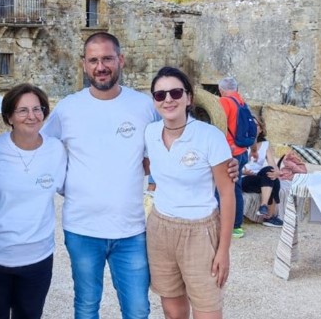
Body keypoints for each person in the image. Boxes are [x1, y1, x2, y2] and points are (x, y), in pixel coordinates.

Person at [42, 32, 239, 319]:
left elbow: (180, 129)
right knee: (86, 306)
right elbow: (43, 148)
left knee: (137, 310)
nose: (101, 66)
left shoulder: (144, 106)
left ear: (120, 60)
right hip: (82, 228)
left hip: (131, 230)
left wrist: (224, 163)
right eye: (94, 60)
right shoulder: (67, 109)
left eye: (107, 58)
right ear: (84, 64)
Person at [144, 66, 235, 319]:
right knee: (173, 312)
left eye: (175, 92)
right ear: (154, 101)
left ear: (189, 97)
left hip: (200, 231)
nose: (168, 99)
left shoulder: (209, 137)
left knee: (207, 312)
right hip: (160, 228)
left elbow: (227, 195)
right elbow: (145, 167)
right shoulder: (150, 133)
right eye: (160, 95)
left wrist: (223, 250)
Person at [0, 83, 67, 319]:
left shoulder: (56, 150)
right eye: (23, 110)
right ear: (9, 117)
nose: (32, 116)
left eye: (38, 109)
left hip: (37, 259)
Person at [218, 77, 250, 239]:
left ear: (221, 89)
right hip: (243, 150)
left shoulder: (224, 102)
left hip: (230, 150)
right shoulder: (241, 101)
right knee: (236, 185)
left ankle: (233, 225)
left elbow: (219, 126)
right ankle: (235, 223)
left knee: (225, 188)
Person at [241, 116, 283, 228]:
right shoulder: (240, 141)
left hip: (257, 178)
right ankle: (270, 217)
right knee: (273, 181)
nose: (253, 128)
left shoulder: (265, 145)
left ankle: (263, 206)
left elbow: (272, 164)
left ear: (261, 129)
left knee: (270, 172)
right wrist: (243, 172)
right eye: (251, 125)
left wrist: (277, 172)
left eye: (256, 125)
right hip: (243, 177)